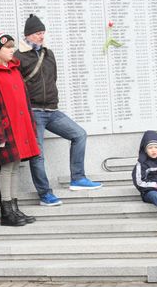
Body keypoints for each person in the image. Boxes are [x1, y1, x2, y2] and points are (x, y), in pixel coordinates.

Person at [14, 14, 102, 206]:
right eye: (38, 33)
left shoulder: (48, 53)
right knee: (37, 154)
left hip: (52, 110)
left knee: (79, 134)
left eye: (43, 32)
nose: (41, 36)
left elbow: (52, 78)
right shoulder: (18, 57)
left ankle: (78, 178)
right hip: (34, 111)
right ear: (28, 35)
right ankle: (45, 194)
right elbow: (16, 86)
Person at [0, 32, 39, 226]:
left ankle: (14, 207)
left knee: (15, 168)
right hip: (5, 130)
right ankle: (6, 211)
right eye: (8, 47)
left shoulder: (14, 71)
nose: (12, 50)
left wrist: (31, 127)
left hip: (20, 128)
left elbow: (25, 102)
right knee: (6, 168)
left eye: (12, 46)